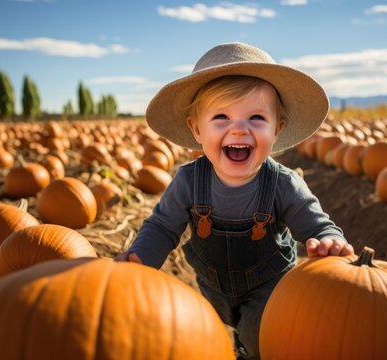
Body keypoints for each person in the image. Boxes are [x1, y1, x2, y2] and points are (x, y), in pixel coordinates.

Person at [116, 42, 354, 359]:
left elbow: (317, 224)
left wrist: (328, 242)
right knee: (201, 341)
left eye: (256, 118)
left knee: (259, 340)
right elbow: (162, 227)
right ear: (196, 129)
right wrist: (140, 260)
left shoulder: (283, 184)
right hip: (210, 288)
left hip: (270, 287)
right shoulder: (188, 181)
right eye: (221, 117)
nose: (239, 130)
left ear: (277, 129)